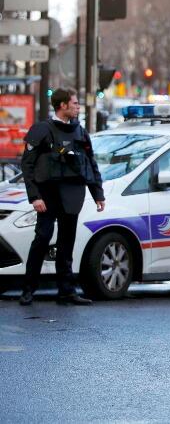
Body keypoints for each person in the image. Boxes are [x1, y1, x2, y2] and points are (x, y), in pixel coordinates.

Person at [18, 88, 105, 306]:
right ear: (63, 105)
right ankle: (28, 289)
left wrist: (98, 194)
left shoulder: (80, 132)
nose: (78, 107)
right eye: (75, 103)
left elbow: (90, 163)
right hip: (47, 195)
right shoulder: (41, 130)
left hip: (72, 194)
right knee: (42, 239)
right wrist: (34, 197)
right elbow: (27, 165)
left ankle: (66, 291)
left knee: (67, 244)